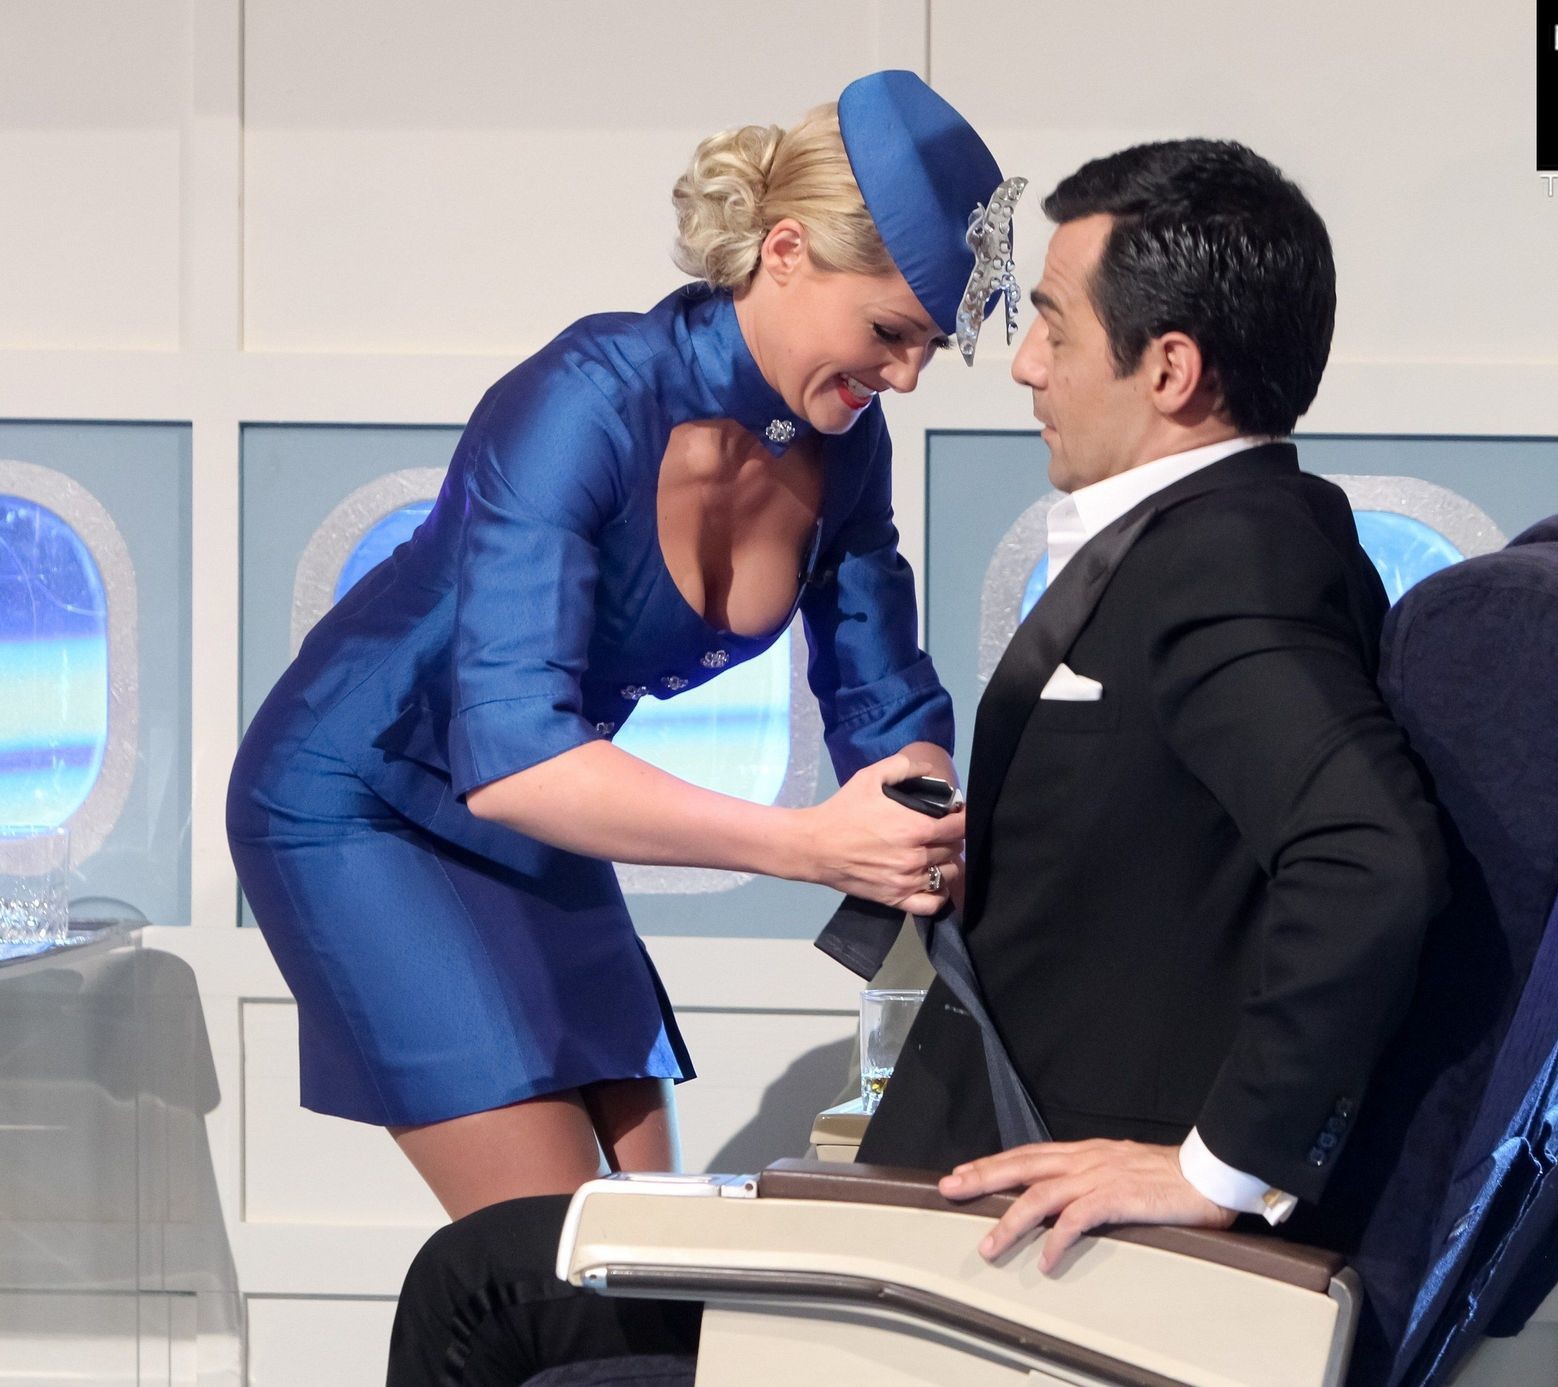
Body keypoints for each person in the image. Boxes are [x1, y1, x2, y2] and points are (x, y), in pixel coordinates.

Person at [383, 137, 1450, 1384]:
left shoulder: (1230, 563)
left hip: (1004, 1262)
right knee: (506, 1269)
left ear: (1168, 370)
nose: (1024, 363)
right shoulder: (1219, 540)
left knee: (476, 1290)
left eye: (1053, 326)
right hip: (947, 1205)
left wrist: (1220, 1167)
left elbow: (1371, 856)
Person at [225, 70, 1022, 1223]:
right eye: (889, 332)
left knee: (653, 1238)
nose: (902, 376)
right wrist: (811, 844)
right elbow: (511, 750)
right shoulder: (585, 400)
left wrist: (926, 820)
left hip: (539, 805)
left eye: (929, 348)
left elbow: (882, 697)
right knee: (566, 1250)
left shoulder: (846, 441)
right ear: (786, 252)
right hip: (362, 798)